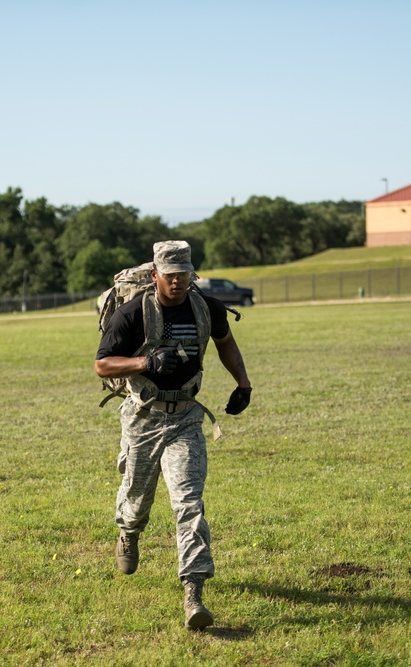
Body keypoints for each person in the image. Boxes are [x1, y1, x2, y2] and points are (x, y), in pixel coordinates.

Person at [94, 240, 252, 630]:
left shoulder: (206, 307)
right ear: (155, 276)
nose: (178, 281)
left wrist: (244, 384)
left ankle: (193, 593)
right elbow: (102, 365)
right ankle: (128, 533)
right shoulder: (133, 313)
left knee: (189, 503)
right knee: (136, 500)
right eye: (170, 275)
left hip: (185, 418)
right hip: (143, 418)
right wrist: (146, 361)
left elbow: (226, 344)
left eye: (184, 274)